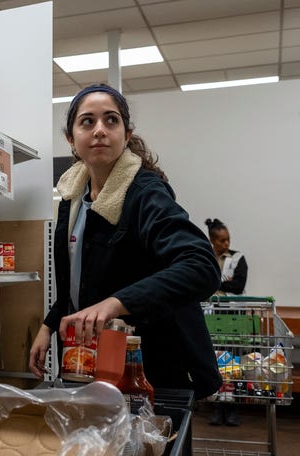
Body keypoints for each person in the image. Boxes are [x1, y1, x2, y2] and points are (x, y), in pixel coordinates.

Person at [29, 83, 222, 401]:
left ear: (127, 135)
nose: (100, 130)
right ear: (71, 139)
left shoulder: (145, 192)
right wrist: (49, 325)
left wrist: (115, 304)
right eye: (87, 121)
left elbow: (201, 266)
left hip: (150, 367)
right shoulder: (72, 199)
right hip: (95, 362)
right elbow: (78, 281)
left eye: (111, 120)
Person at [205, 218, 248, 426]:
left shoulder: (238, 258)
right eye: (221, 241)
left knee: (233, 361)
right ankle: (217, 407)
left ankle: (232, 409)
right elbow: (202, 282)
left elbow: (239, 285)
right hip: (212, 316)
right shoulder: (206, 257)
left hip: (233, 316)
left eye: (228, 239)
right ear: (212, 241)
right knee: (215, 360)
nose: (226, 244)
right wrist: (223, 284)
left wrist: (218, 284)